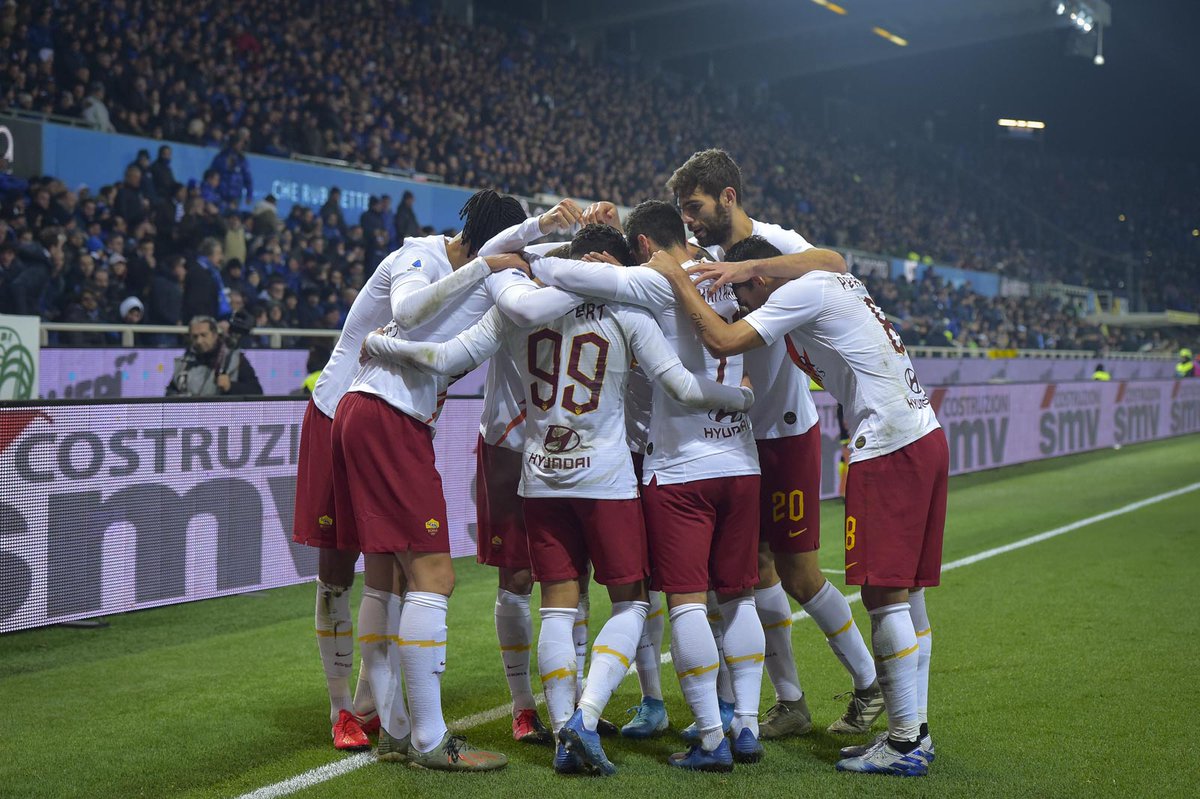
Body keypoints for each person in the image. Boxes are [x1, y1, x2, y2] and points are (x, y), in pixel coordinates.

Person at [361, 222, 755, 776]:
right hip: (606, 480)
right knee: (632, 603)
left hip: (542, 477)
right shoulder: (627, 310)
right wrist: (739, 398)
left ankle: (563, 730)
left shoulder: (519, 311)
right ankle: (584, 718)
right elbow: (683, 388)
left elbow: (448, 357)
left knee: (556, 607)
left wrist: (382, 343)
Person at [645, 235, 947, 777]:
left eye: (743, 295)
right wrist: (746, 266)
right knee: (905, 594)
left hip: (888, 442)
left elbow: (722, 340)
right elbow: (832, 257)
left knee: (884, 595)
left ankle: (905, 743)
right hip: (921, 431)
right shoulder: (823, 278)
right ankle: (913, 732)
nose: (741, 307)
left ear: (761, 280)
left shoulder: (795, 294)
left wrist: (676, 278)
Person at [529, 201, 766, 771]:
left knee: (681, 601)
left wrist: (539, 249)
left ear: (642, 246)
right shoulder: (725, 274)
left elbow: (559, 270)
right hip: (741, 459)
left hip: (678, 468)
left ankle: (709, 737)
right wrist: (743, 400)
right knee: (738, 597)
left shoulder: (649, 284)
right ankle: (747, 723)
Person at [667, 148, 882, 737]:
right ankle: (790, 700)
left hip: (785, 432)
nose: (690, 220)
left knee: (799, 573)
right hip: (734, 437)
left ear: (728, 197)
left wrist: (748, 270)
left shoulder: (775, 242)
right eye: (684, 211)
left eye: (695, 207)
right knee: (751, 569)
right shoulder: (702, 257)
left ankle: (870, 685)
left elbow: (834, 263)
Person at [327, 189, 527, 771]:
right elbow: (428, 338)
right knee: (435, 576)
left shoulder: (464, 276)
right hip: (390, 418)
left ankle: (392, 726)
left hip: (362, 409)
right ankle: (430, 739)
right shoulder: (453, 269)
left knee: (386, 574)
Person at [166, 316, 263, 396]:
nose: (199, 341)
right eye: (195, 336)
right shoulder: (184, 363)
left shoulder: (235, 359)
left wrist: (231, 387)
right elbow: (170, 393)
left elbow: (257, 392)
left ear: (215, 335)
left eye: (203, 335)